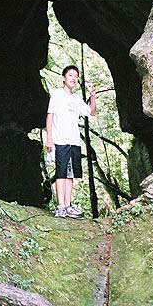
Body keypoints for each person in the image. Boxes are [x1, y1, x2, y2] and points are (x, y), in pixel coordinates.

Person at [45, 65, 96, 218]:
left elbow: (92, 112)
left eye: (76, 76)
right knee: (61, 174)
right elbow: (50, 116)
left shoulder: (76, 99)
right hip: (60, 140)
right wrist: (49, 139)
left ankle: (68, 206)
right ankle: (60, 207)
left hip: (74, 142)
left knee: (70, 174)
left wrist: (92, 96)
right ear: (64, 77)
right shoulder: (57, 94)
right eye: (71, 75)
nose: (74, 78)